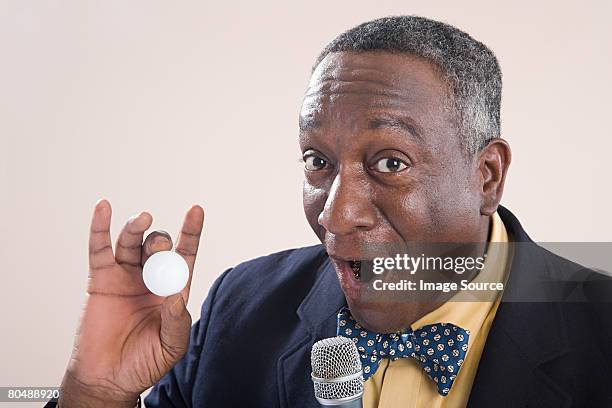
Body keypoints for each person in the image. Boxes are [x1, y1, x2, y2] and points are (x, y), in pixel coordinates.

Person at [47, 16, 612, 408]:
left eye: (390, 163)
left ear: (486, 176)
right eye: (318, 160)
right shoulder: (236, 312)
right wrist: (98, 392)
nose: (337, 217)